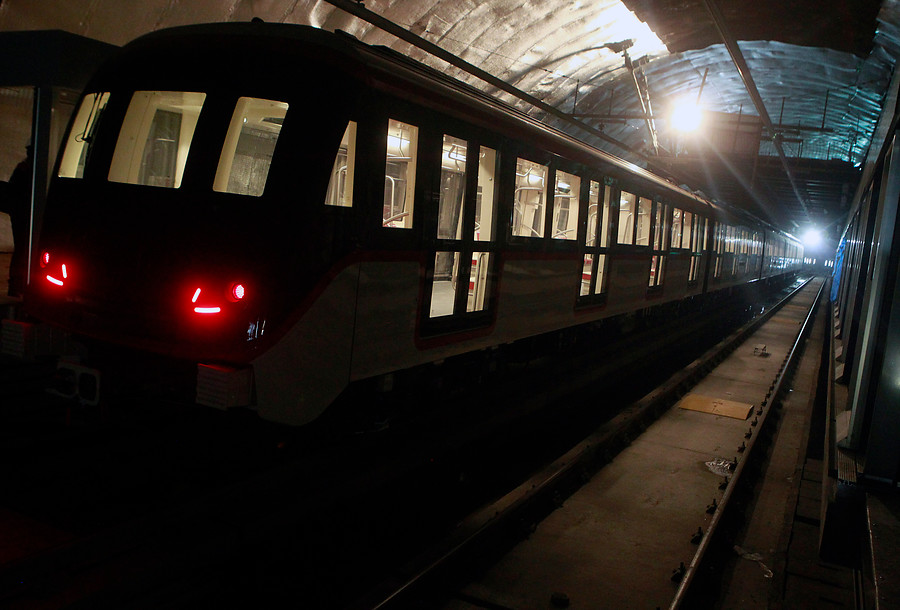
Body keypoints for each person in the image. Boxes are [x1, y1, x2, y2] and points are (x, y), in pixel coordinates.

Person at [0, 144, 33, 297]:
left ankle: (16, 286)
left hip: (20, 214)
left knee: (21, 249)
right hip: (23, 214)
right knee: (22, 250)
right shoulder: (26, 170)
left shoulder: (24, 168)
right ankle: (17, 286)